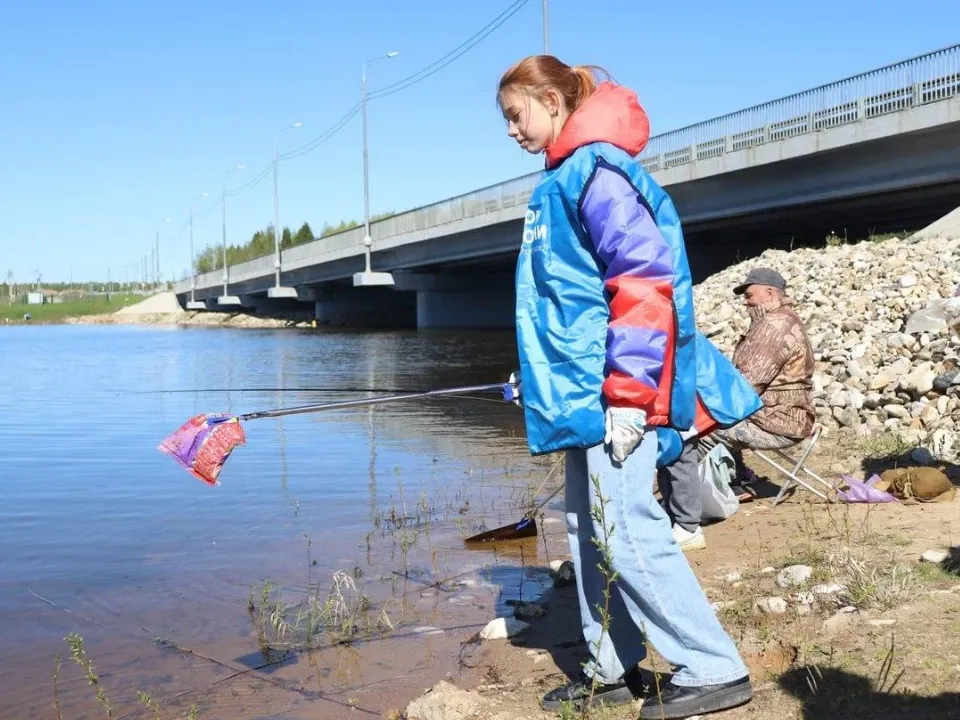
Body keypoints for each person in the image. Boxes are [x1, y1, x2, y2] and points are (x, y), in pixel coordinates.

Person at [498, 55, 761, 719]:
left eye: (516, 113)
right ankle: (612, 666)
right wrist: (535, 373)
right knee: (589, 526)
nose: (510, 130)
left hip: (617, 390)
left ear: (554, 100)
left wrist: (629, 394)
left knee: (627, 529)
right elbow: (566, 303)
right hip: (584, 389)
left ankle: (711, 667)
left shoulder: (596, 172)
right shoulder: (562, 178)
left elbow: (643, 282)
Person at [714, 267, 815, 500]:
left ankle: (702, 498)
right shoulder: (780, 320)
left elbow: (747, 386)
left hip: (780, 421)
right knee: (716, 415)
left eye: (749, 295)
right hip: (787, 415)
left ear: (769, 294)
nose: (745, 303)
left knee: (700, 430)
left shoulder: (774, 326)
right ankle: (735, 479)